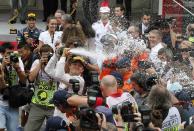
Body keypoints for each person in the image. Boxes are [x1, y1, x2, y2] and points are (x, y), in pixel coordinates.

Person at [24, 45, 57, 131]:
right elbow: (31, 78)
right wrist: (40, 64)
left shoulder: (57, 63)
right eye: (44, 56)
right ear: (40, 55)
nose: (46, 58)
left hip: (53, 106)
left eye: (49, 56)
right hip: (37, 104)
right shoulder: (37, 62)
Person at [0, 43, 26, 131]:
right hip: (0, 102)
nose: (10, 56)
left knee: (13, 129)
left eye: (11, 53)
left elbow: (23, 81)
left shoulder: (17, 60)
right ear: (2, 54)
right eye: (8, 53)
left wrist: (17, 68)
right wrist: (3, 66)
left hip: (13, 103)